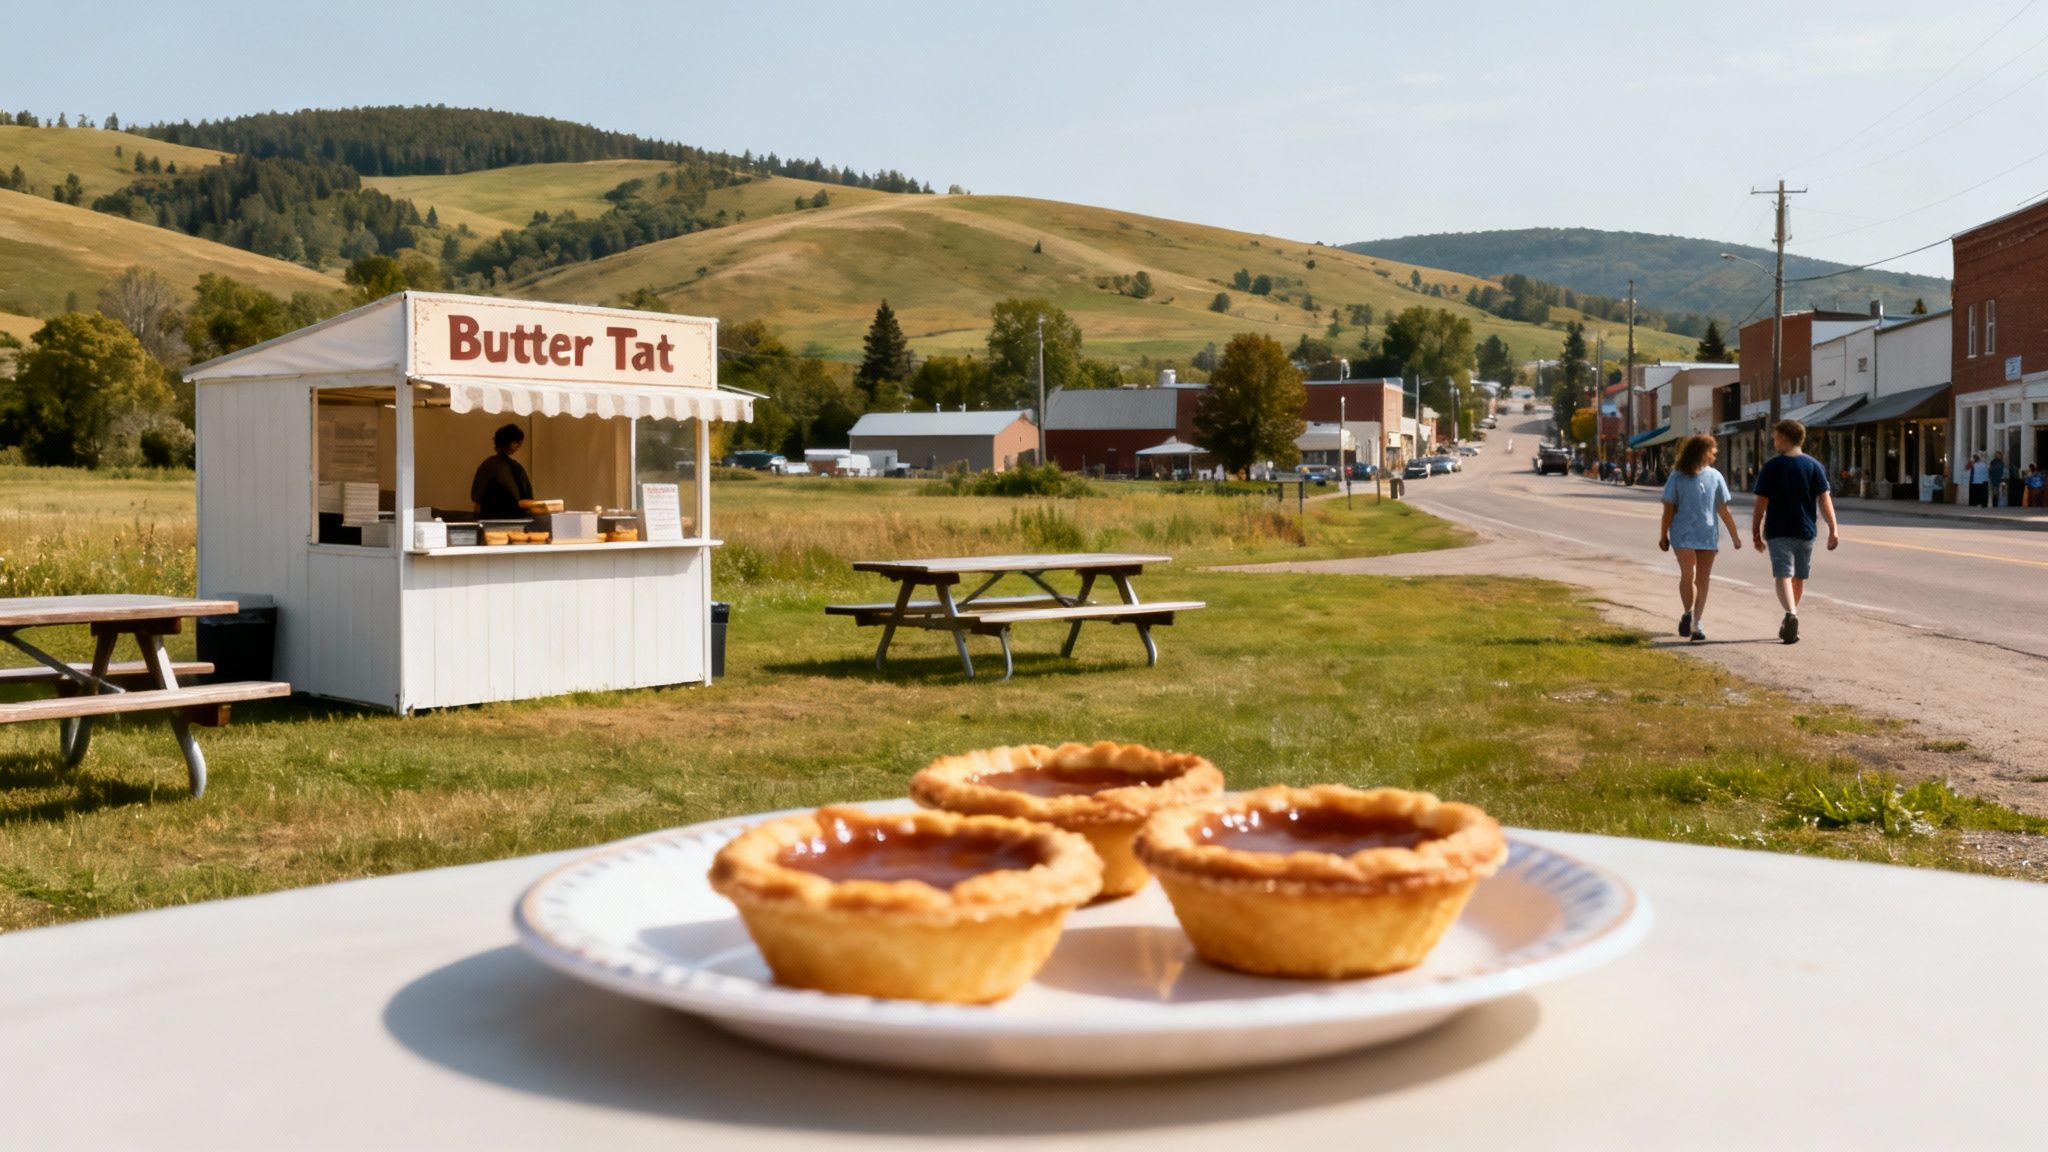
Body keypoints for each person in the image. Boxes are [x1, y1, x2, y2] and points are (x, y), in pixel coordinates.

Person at [1751, 419, 1839, 645]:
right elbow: (1824, 500)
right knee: (1798, 577)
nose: (1774, 441)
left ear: (1783, 438)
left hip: (1778, 530)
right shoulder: (1814, 466)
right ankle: (1791, 616)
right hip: (1806, 530)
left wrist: (1755, 531)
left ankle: (1791, 615)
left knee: (1783, 575)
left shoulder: (1771, 467)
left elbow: (1761, 503)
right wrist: (1833, 529)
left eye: (1775, 437)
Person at [1659, 434, 1743, 643]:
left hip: (1707, 534)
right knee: (1689, 574)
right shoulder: (1677, 477)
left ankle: (1697, 622)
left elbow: (1723, 510)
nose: (1715, 455)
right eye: (1712, 451)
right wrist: (1663, 534)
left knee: (1702, 580)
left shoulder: (1715, 476)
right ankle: (1688, 613)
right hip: (1683, 533)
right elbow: (1668, 508)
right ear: (1701, 452)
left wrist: (1734, 536)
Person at [470, 422, 532, 519]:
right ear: (513, 443)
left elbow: (475, 496)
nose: (518, 446)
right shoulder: (515, 467)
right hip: (515, 517)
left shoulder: (488, 465)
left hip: (491, 517)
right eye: (518, 443)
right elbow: (524, 497)